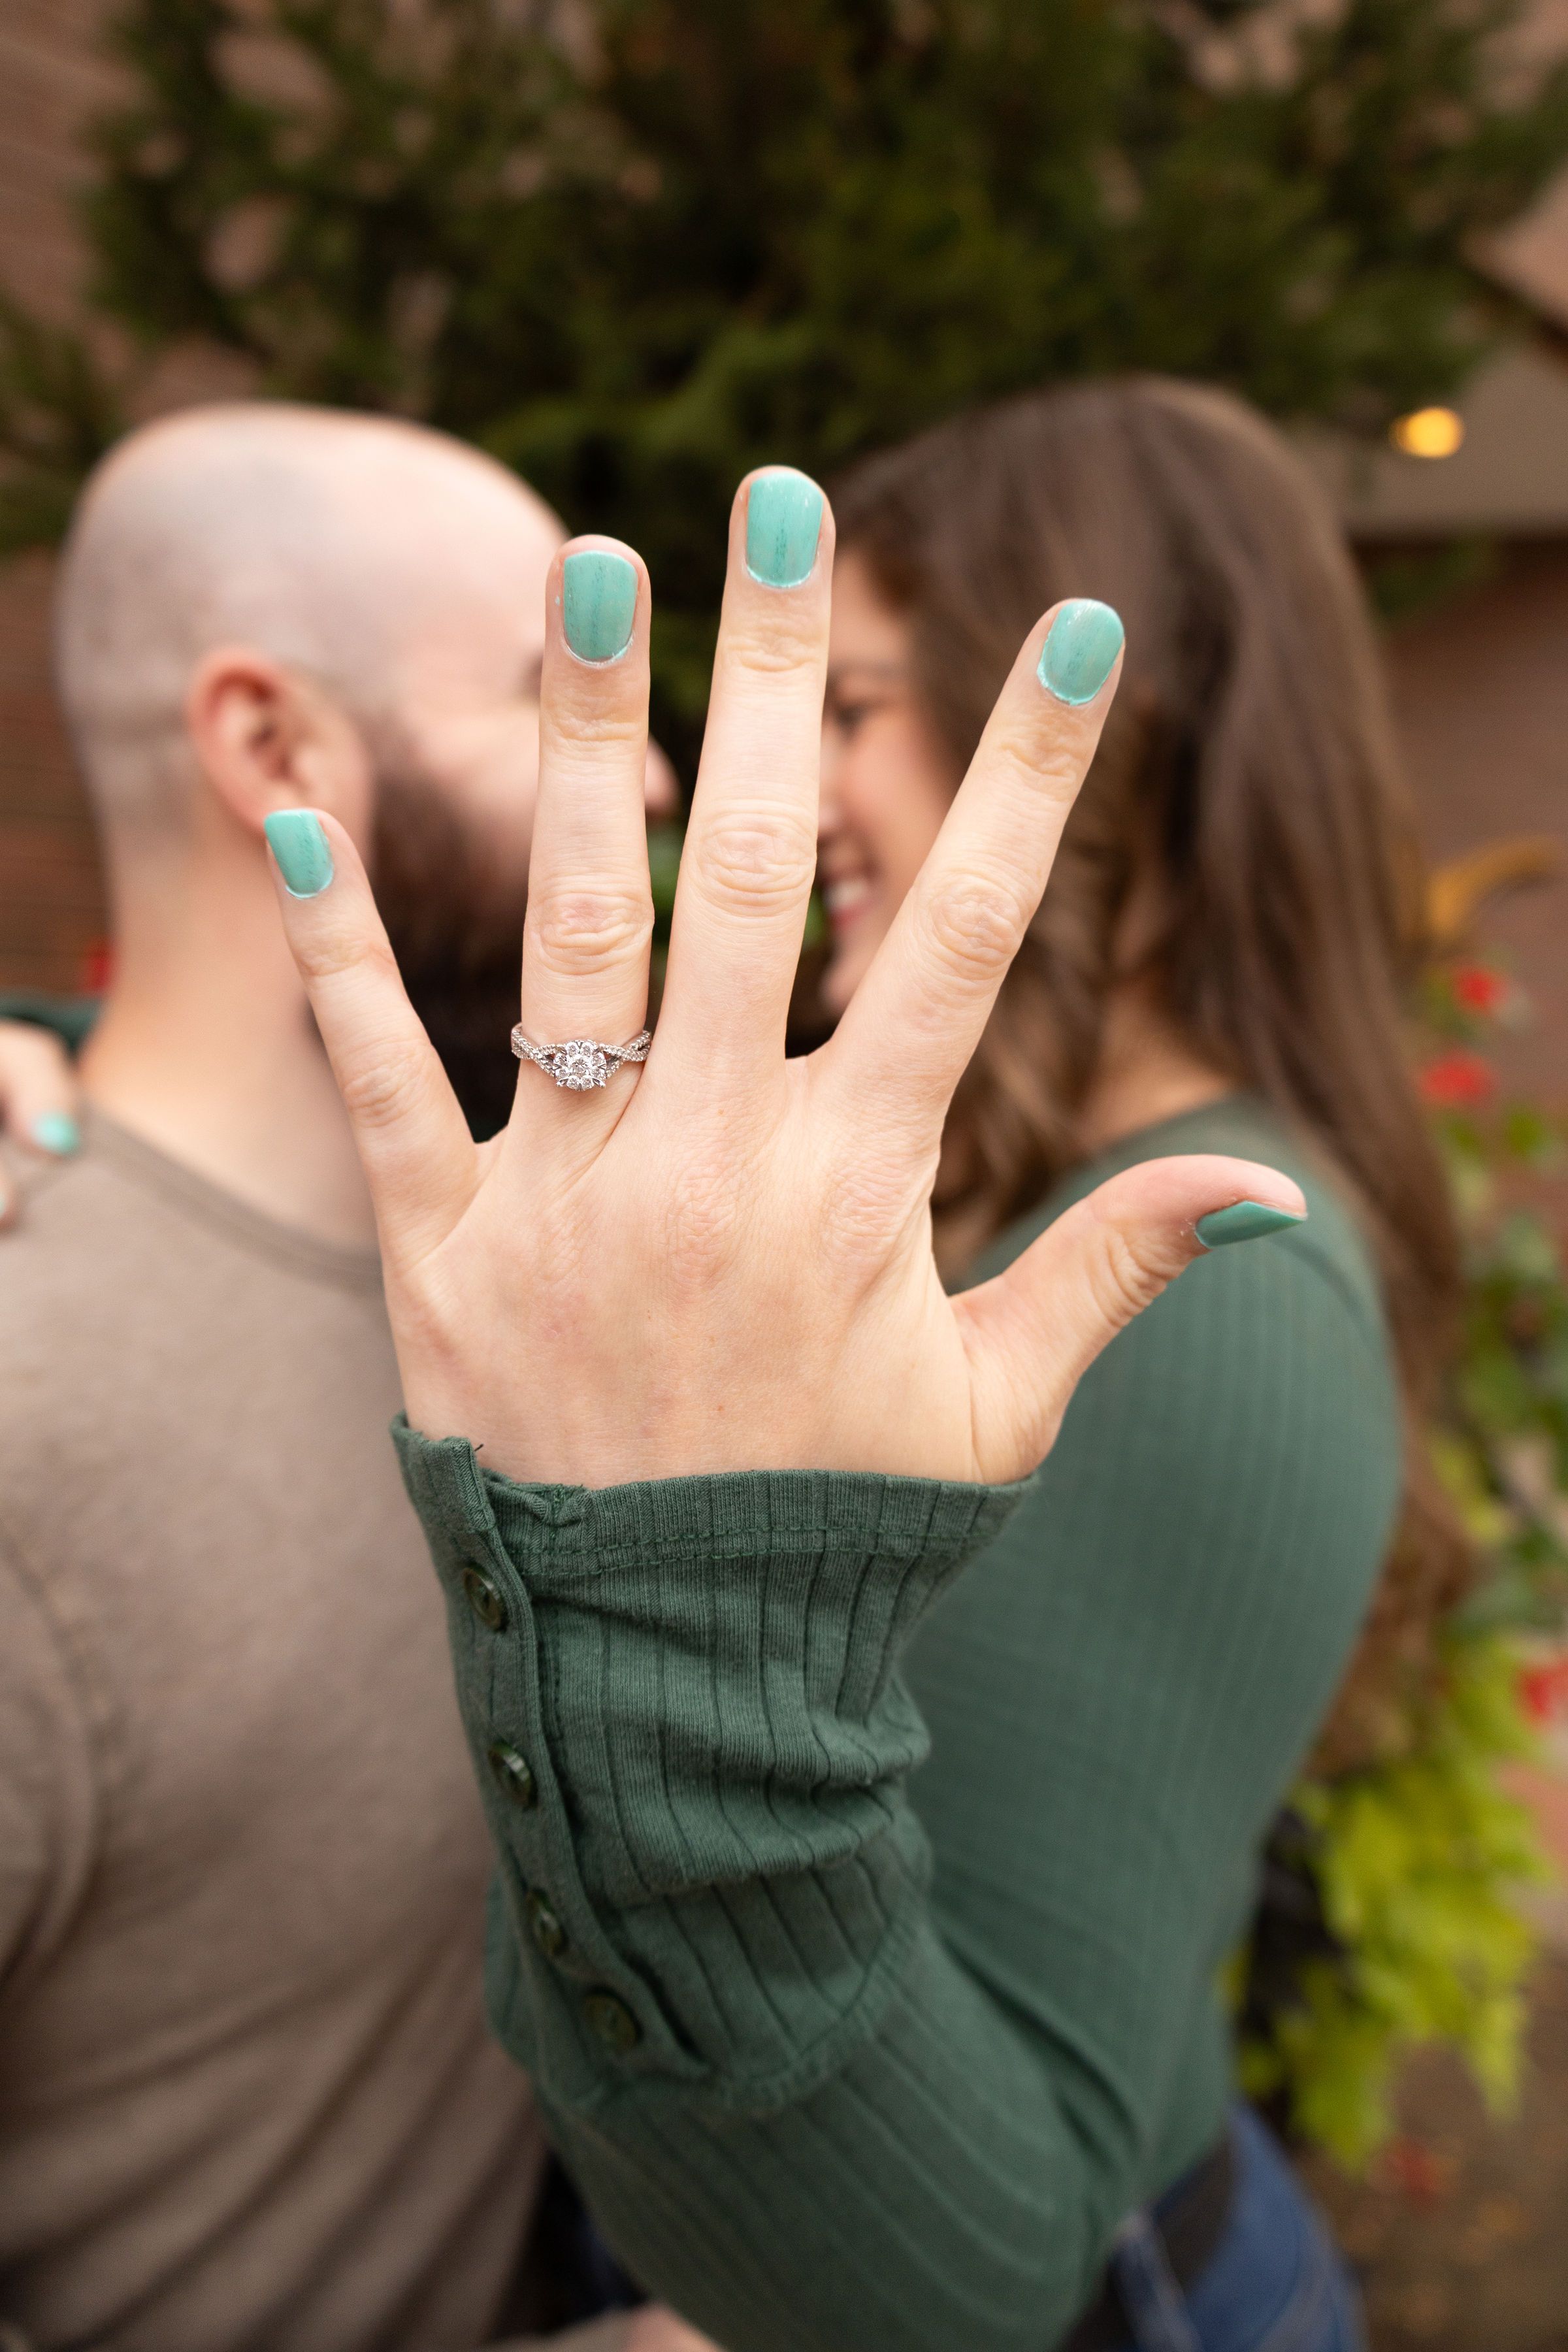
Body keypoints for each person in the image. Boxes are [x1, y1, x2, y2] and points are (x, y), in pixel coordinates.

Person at [261, 405, 1401, 2352]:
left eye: (857, 706)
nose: (800, 791)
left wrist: (664, 1608)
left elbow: (967, 2279)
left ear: (1110, 744)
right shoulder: (978, 1154)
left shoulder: (1215, 1294)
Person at [0, 400, 703, 2352]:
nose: (646, 772)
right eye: (547, 696)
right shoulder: (29, 1426)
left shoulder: (502, 1276)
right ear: (270, 747)